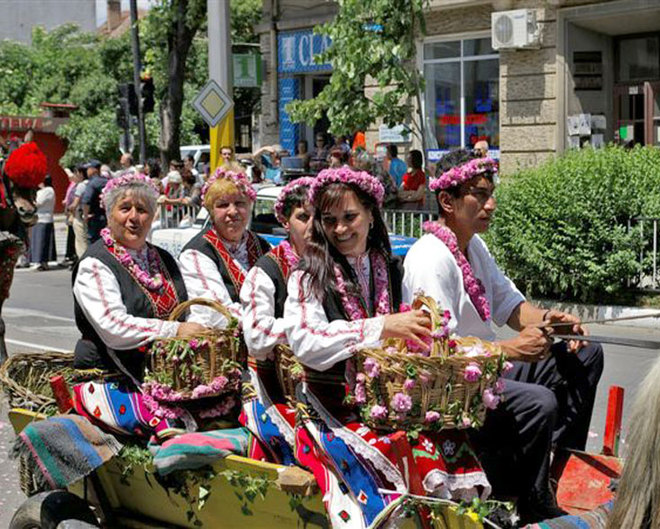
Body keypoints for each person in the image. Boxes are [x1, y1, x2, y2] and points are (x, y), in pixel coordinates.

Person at [402, 149, 604, 523]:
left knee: (586, 355)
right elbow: (440, 351)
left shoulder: (474, 245)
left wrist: (551, 320)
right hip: (453, 385)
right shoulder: (429, 258)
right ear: (447, 200)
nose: (490, 204)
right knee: (539, 402)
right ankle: (526, 497)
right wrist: (512, 349)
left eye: (491, 192)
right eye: (479, 194)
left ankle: (556, 470)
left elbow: (510, 306)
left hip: (488, 368)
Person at [284, 167, 490, 527]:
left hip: (394, 400)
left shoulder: (394, 269)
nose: (340, 230)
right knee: (397, 451)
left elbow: (427, 331)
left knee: (449, 440)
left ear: (371, 215)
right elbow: (305, 342)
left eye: (350, 217)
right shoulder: (308, 275)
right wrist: (382, 327)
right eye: (330, 220)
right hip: (331, 407)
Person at [72, 173, 205, 437]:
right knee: (171, 427)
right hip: (110, 375)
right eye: (125, 208)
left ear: (153, 216)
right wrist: (174, 331)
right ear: (110, 215)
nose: (134, 217)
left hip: (167, 372)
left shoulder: (163, 259)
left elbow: (189, 307)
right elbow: (113, 326)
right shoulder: (96, 264)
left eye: (142, 210)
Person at [238, 177, 314, 465]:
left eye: (320, 217)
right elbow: (256, 336)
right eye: (303, 217)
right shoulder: (265, 271)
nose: (312, 226)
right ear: (285, 221)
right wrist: (312, 332)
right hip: (275, 386)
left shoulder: (333, 265)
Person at [178, 168, 270, 328]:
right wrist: (269, 326)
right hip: (222, 344)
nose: (233, 211)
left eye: (240, 203)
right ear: (211, 211)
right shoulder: (197, 252)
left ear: (249, 206)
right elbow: (217, 311)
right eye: (223, 205)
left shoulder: (262, 245)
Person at [29, 175, 56, 271]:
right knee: (39, 241)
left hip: (44, 218)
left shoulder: (48, 190)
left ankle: (40, 261)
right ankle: (41, 261)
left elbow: (38, 203)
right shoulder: (43, 191)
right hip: (39, 218)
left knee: (41, 241)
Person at [81, 159, 108, 244]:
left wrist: (85, 216)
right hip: (107, 217)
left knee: (93, 242)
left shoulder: (92, 183)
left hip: (95, 218)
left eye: (88, 169)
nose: (87, 171)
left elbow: (86, 201)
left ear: (94, 170)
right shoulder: (107, 181)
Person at [69, 164, 89, 258]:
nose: (75, 176)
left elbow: (75, 203)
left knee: (81, 241)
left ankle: (82, 260)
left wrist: (69, 209)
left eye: (76, 173)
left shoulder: (81, 186)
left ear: (81, 173)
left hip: (79, 215)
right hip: (88, 215)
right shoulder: (89, 183)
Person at [62, 168, 79, 267]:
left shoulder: (77, 186)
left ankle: (73, 256)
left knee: (74, 235)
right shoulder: (72, 185)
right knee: (71, 234)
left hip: (73, 212)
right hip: (69, 212)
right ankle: (71, 255)